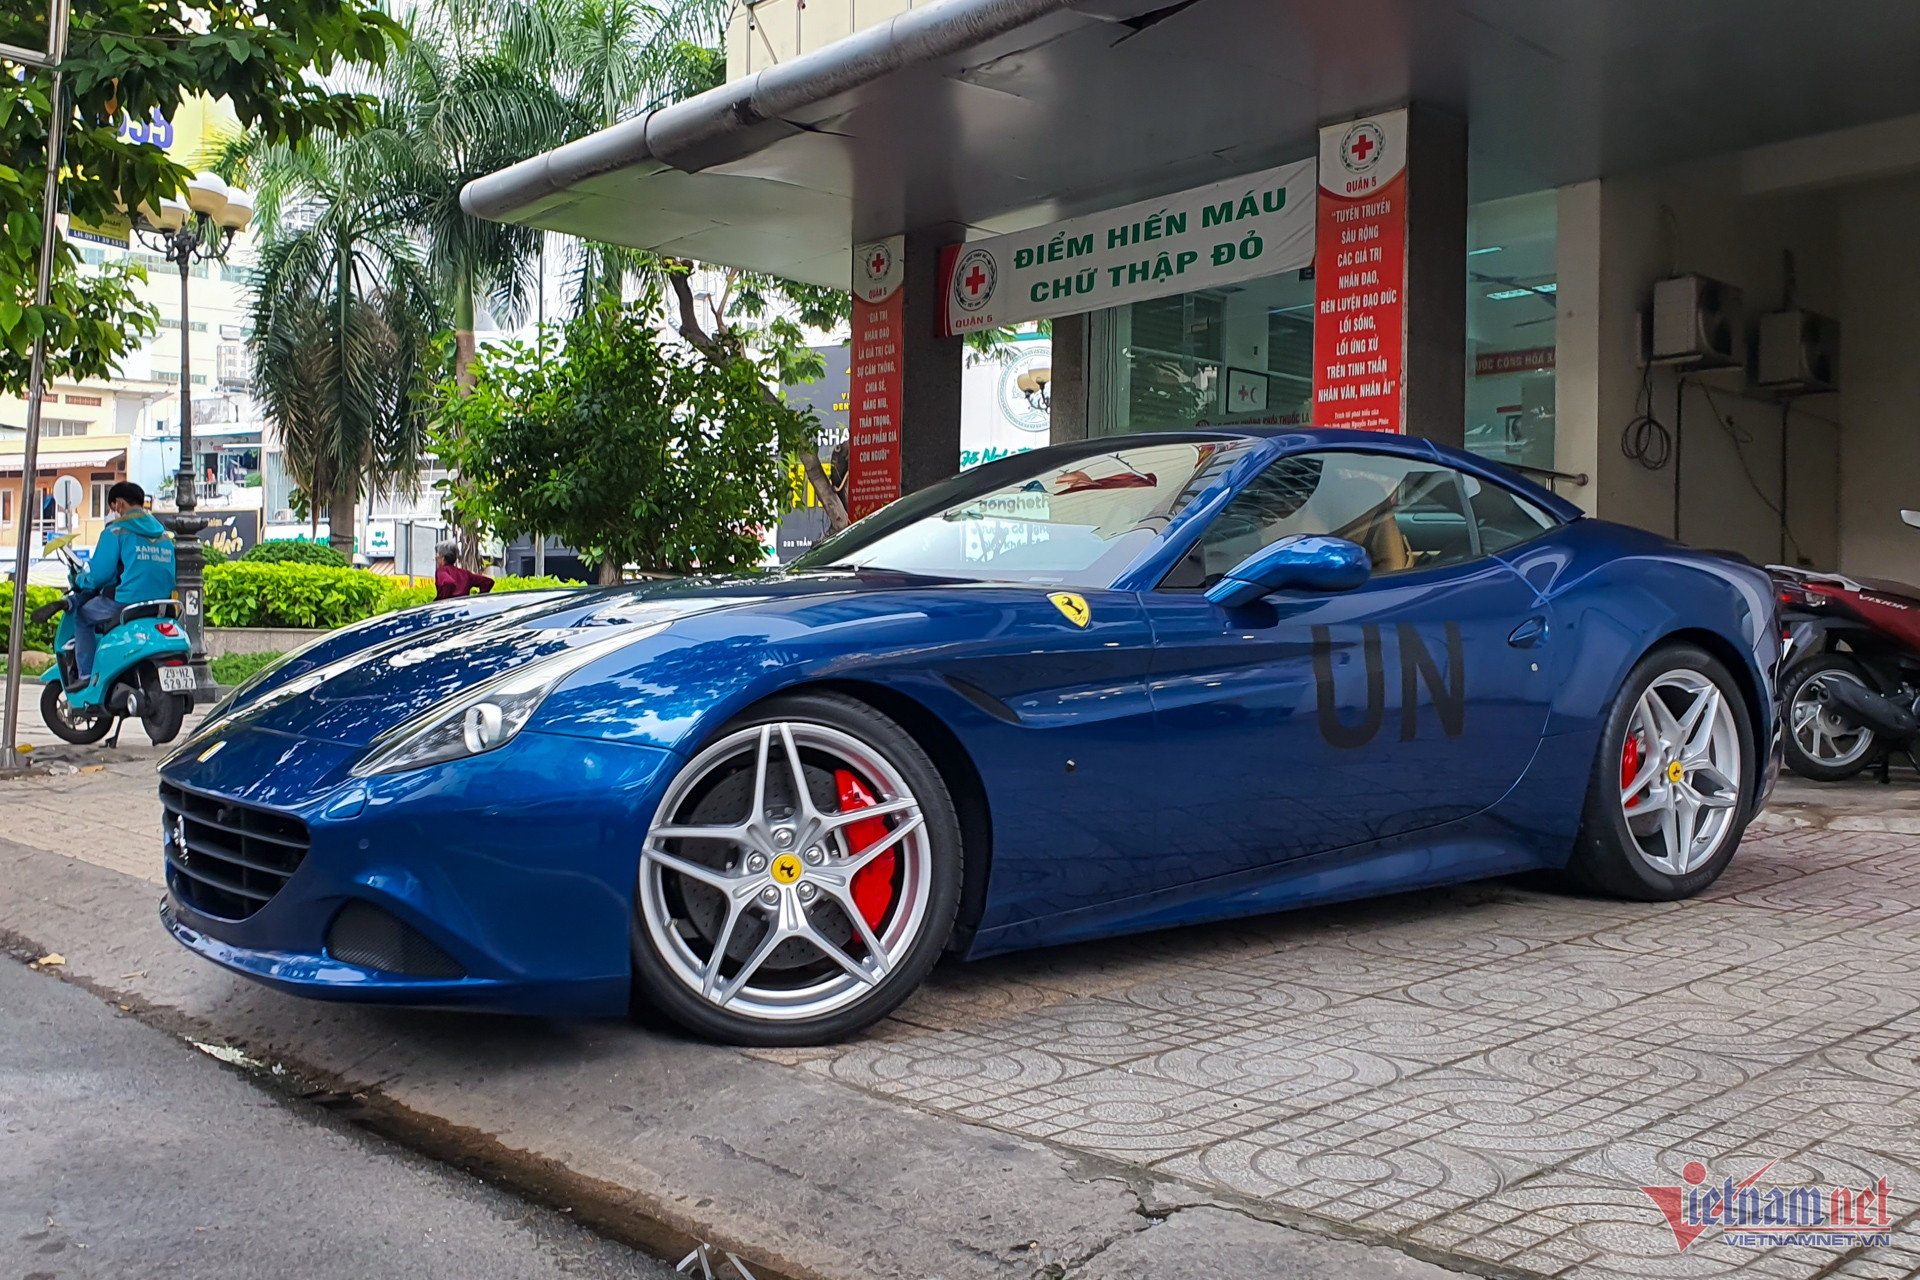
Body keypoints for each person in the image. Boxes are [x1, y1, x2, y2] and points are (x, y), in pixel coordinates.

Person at [69, 481, 176, 688]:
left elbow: (99, 575)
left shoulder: (116, 532)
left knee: (82, 616)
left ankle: (85, 677)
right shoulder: (164, 535)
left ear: (118, 504)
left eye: (112, 507)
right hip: (162, 604)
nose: (113, 512)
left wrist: (80, 580)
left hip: (126, 602)